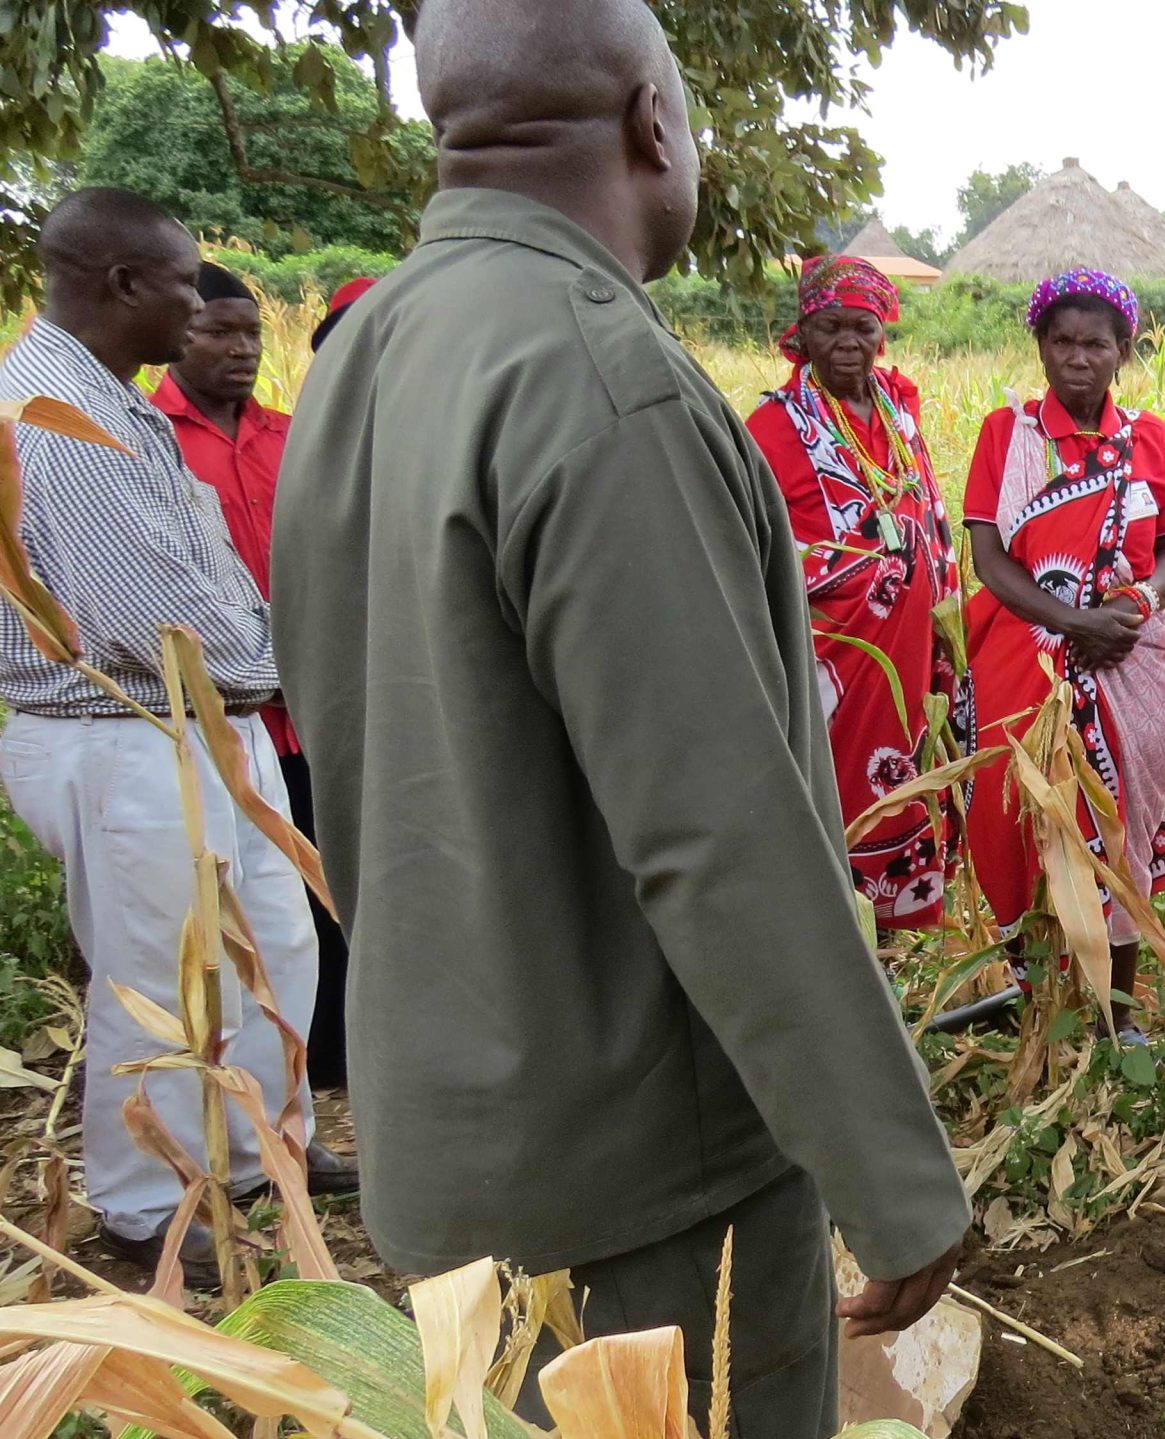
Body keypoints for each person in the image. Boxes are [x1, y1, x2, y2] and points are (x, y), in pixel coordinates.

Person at [268, 3, 967, 1432]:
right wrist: (896, 1183)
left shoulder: (365, 351)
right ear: (655, 119)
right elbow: (716, 832)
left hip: (452, 1143)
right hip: (649, 1179)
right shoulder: (600, 379)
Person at [0, 188, 333, 1289]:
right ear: (122, 285)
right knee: (159, 968)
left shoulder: (110, 400)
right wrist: (308, 661)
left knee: (268, 943)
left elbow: (209, 586)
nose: (201, 309)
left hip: (201, 724)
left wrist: (261, 663)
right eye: (187, 284)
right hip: (126, 726)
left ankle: (256, 1154)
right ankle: (146, 1200)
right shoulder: (64, 420)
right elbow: (154, 625)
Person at [960, 268, 1165, 1043]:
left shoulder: (1150, 440)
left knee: (1121, 825)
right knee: (1023, 817)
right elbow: (992, 560)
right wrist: (1070, 623)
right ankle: (1040, 997)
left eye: (1096, 343)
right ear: (1040, 346)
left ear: (1124, 351)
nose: (1077, 358)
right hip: (1024, 659)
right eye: (1061, 341)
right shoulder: (1008, 435)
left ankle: (1115, 1012)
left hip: (1131, 658)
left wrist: (1136, 606)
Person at [150, 261, 356, 1096]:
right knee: (243, 908)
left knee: (327, 882)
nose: (239, 349)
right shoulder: (147, 439)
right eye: (218, 331)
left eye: (249, 333)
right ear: (178, 335)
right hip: (222, 718)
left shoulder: (289, 436)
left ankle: (333, 1062)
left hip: (313, 707)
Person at [745, 255, 963, 932]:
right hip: (836, 663)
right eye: (831, 326)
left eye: (863, 327)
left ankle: (897, 933)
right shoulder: (773, 427)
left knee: (918, 766)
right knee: (840, 788)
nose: (848, 342)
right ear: (802, 333)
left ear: (882, 332)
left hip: (917, 651)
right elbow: (756, 543)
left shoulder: (898, 406)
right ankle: (841, 931)